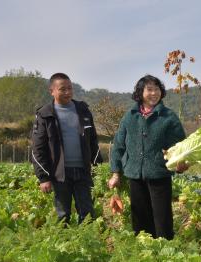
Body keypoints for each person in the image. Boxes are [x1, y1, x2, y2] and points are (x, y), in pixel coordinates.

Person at [108, 74, 188, 240]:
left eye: (157, 89)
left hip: (159, 174)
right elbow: (118, 145)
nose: (154, 93)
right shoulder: (130, 116)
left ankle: (165, 254)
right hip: (135, 175)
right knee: (140, 218)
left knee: (162, 219)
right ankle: (144, 252)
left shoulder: (168, 116)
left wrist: (182, 163)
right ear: (140, 92)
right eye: (149, 89)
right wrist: (116, 172)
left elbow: (181, 146)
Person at [32, 73, 103, 224]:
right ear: (52, 91)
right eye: (62, 89)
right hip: (59, 173)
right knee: (62, 214)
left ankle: (86, 244)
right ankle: (64, 244)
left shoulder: (83, 110)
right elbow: (38, 149)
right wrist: (43, 178)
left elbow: (93, 140)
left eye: (70, 88)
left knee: (88, 212)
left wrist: (97, 166)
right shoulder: (45, 114)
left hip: (83, 171)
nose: (67, 92)